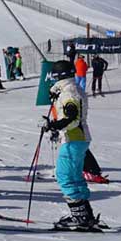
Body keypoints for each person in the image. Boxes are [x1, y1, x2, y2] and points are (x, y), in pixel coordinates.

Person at [41, 60, 102, 230]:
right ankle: (84, 215)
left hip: (73, 138)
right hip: (77, 138)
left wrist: (53, 125)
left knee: (64, 175)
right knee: (74, 177)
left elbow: (72, 120)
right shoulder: (68, 90)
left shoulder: (69, 93)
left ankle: (80, 218)